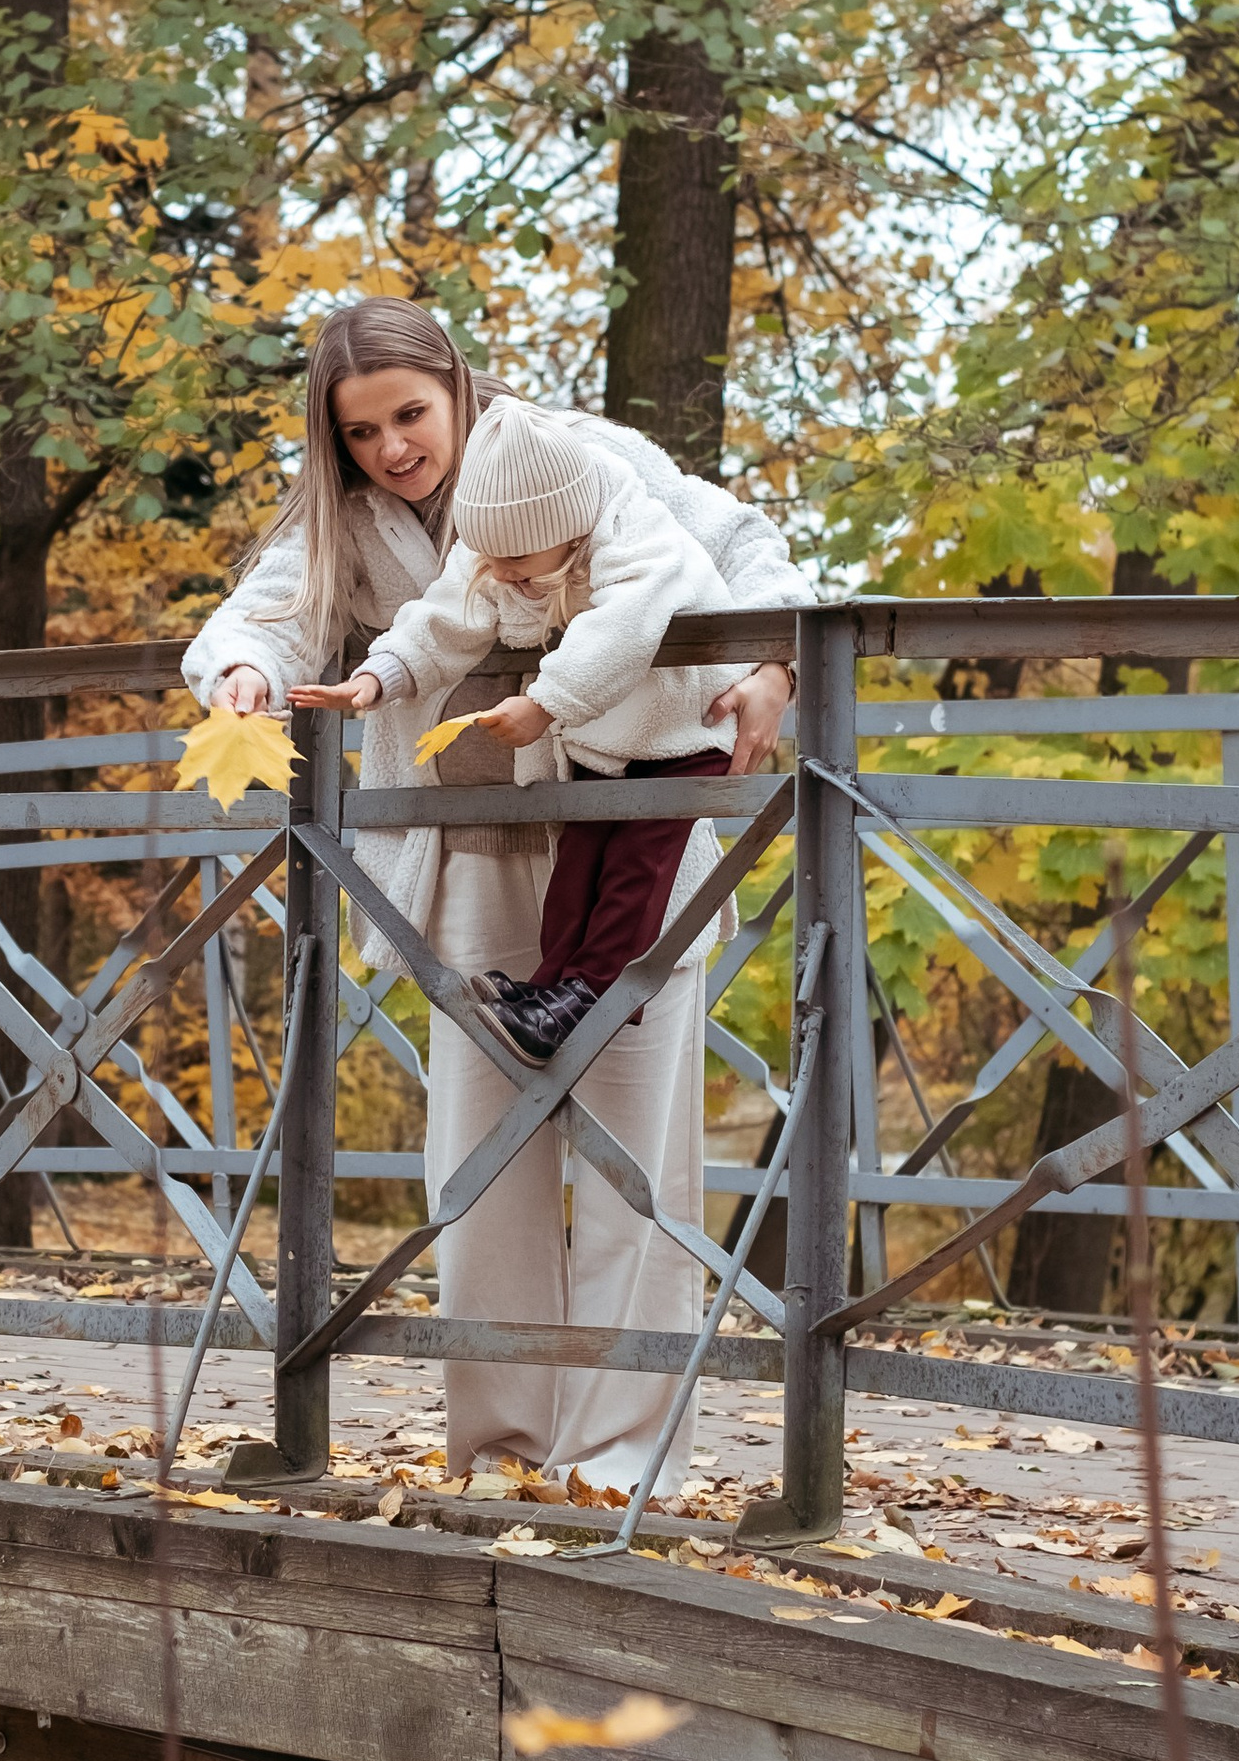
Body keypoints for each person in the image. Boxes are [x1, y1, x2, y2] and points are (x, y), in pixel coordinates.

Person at [182, 299, 807, 1490]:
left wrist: (772, 661)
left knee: (634, 1160)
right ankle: (503, 1451)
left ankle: (623, 1464)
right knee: (478, 1167)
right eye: (360, 432)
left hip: (628, 840)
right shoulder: (348, 526)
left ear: (456, 389)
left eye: (409, 415)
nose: (392, 449)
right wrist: (247, 671)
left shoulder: (579, 456)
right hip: (464, 850)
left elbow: (740, 543)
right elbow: (260, 618)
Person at [295, 402, 749, 1065]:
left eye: (517, 559)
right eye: (491, 557)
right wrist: (378, 677)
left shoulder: (639, 536)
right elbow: (446, 616)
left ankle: (593, 993)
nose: (502, 572)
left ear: (567, 531)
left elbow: (622, 628)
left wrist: (543, 703)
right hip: (608, 731)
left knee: (635, 869)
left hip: (684, 727)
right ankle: (549, 992)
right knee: (579, 863)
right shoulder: (502, 547)